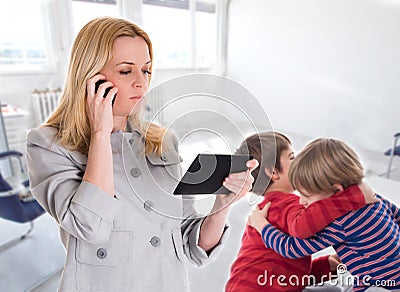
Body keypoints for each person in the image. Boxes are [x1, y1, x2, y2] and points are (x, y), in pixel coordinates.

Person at [26, 17, 257, 292]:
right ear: (90, 78)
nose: (141, 83)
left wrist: (222, 206)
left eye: (146, 71)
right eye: (126, 71)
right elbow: (90, 228)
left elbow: (191, 247)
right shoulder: (49, 145)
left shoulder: (162, 141)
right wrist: (102, 134)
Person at [225, 132, 374, 291]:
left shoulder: (265, 209)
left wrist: (326, 265)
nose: (298, 162)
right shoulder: (286, 204)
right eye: (292, 157)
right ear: (273, 172)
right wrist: (353, 196)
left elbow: (287, 269)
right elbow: (309, 222)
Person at [249, 138, 400, 291]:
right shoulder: (373, 199)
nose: (301, 202)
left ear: (336, 191)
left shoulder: (339, 222)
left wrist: (262, 226)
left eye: (307, 196)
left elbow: (290, 248)